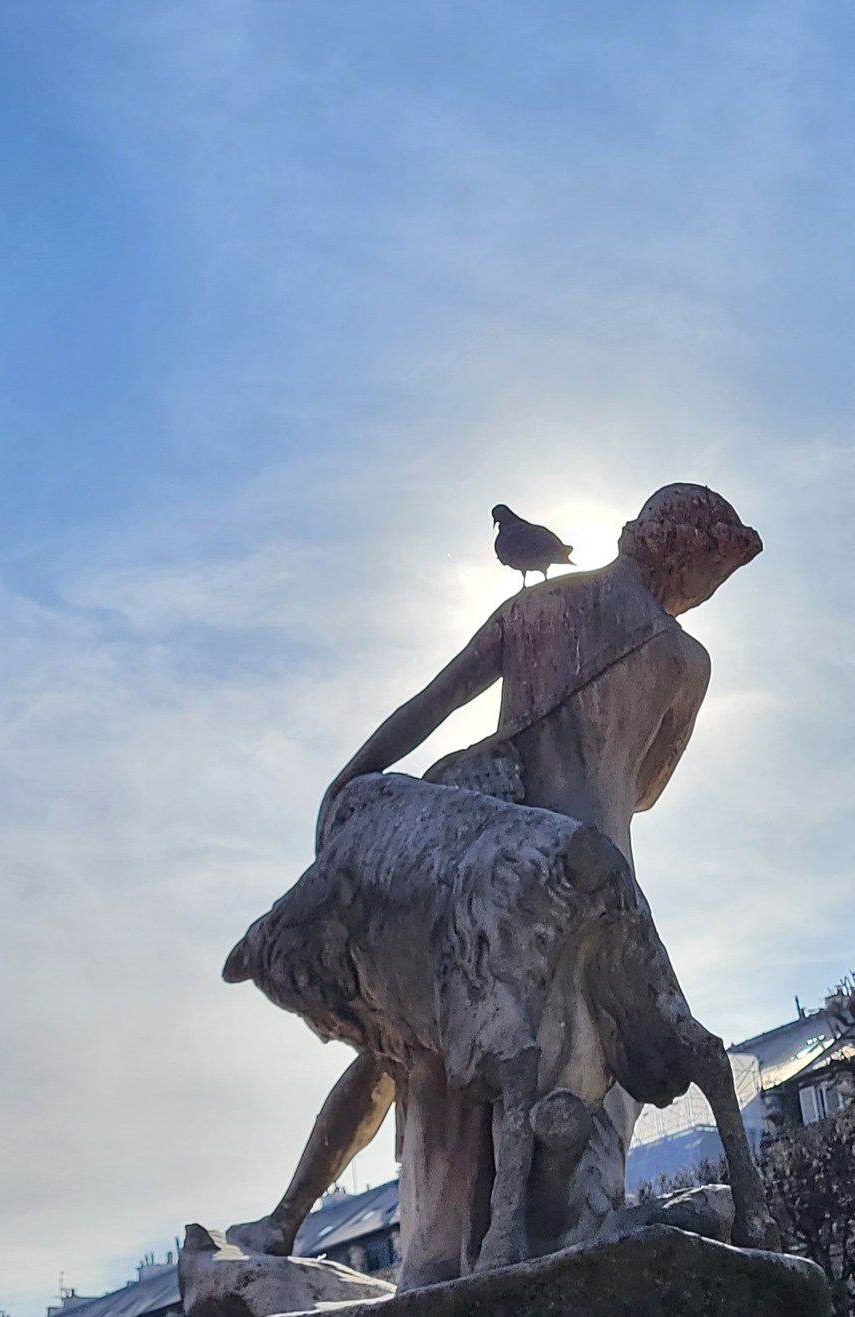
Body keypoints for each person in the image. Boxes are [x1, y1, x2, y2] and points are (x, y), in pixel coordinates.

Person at [227, 483, 762, 1257]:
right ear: (692, 556)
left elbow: (432, 704)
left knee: (401, 1051)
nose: (706, 596)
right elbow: (644, 790)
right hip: (600, 886)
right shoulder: (685, 661)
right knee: (578, 1106)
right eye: (714, 576)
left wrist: (347, 786)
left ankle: (288, 1220)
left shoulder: (534, 612)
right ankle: (544, 1221)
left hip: (478, 881)